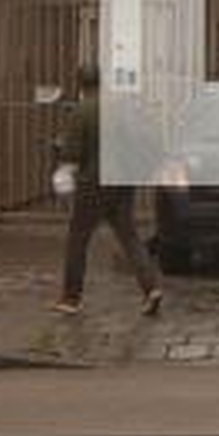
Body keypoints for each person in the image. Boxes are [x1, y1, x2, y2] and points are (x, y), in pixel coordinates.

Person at [53, 65, 162, 317]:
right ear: (101, 81)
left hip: (93, 184)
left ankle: (71, 298)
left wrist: (63, 168)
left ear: (80, 83)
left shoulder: (82, 111)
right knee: (130, 237)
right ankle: (151, 287)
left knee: (78, 239)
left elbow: (73, 154)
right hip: (122, 180)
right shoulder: (119, 108)